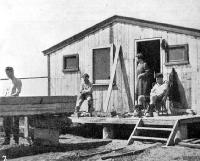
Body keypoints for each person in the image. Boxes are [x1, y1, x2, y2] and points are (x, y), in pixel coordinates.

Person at [2, 67, 22, 145]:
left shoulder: (18, 81)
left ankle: (16, 141)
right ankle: (7, 140)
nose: (8, 75)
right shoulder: (7, 82)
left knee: (15, 123)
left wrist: (9, 97)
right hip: (7, 106)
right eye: (6, 73)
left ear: (12, 72)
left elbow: (18, 92)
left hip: (15, 105)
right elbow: (6, 93)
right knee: (5, 122)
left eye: (9, 73)